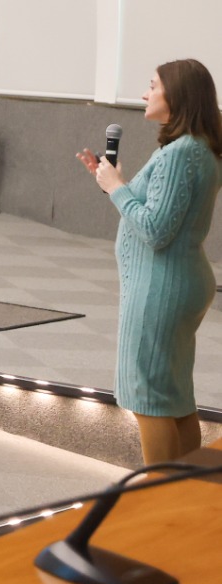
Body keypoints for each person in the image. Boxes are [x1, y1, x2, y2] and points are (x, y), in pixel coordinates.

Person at [76, 59, 222, 464]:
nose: (145, 93)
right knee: (173, 397)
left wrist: (118, 188)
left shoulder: (180, 153)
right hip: (177, 282)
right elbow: (161, 212)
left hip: (161, 287)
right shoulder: (198, 147)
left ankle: (159, 500)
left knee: (147, 399)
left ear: (176, 95)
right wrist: (116, 186)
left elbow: (157, 230)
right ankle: (190, 494)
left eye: (152, 85)